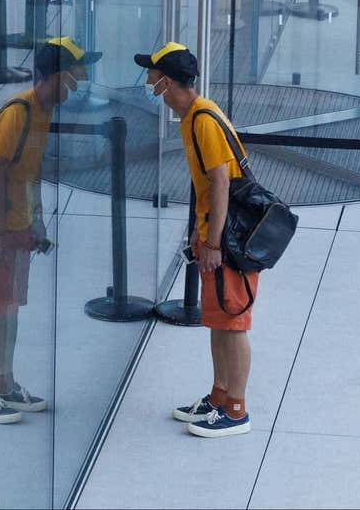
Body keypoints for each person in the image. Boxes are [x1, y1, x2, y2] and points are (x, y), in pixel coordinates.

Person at [0, 36, 100, 424]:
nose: (74, 86)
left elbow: (29, 173)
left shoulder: (42, 112)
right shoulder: (18, 112)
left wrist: (34, 224)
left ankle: (2, 383)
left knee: (6, 309)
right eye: (71, 77)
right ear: (52, 75)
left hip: (17, 230)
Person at [134, 42, 255, 438]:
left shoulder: (202, 119)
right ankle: (219, 396)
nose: (148, 81)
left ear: (166, 82)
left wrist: (215, 243)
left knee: (233, 322)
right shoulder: (192, 117)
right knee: (219, 319)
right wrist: (199, 232)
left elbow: (221, 183)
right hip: (216, 232)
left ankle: (236, 409)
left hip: (232, 238)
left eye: (152, 75)